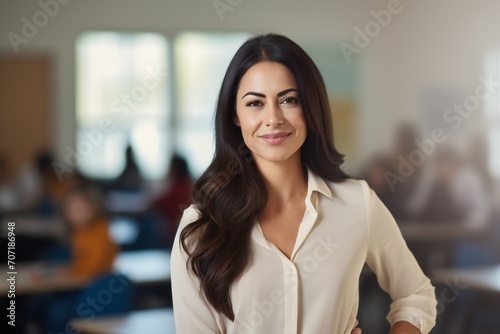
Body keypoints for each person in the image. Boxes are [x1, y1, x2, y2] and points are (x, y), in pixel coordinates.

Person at [171, 34, 437, 334]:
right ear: (235, 116)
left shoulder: (356, 203)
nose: (272, 118)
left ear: (310, 108)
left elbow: (416, 295)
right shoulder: (201, 225)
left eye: (289, 100)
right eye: (255, 103)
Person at [150, 154, 193, 246]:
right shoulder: (191, 188)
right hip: (191, 236)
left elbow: (152, 204)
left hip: (175, 238)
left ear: (174, 169)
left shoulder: (176, 190)